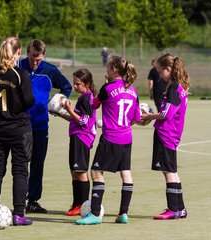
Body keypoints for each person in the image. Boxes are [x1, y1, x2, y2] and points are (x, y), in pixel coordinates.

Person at [76, 56, 140, 225]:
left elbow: (95, 104)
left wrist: (104, 87)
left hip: (110, 137)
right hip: (127, 138)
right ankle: (123, 213)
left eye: (107, 68)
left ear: (113, 70)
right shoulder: (133, 91)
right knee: (126, 173)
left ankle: (95, 213)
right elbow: (136, 117)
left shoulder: (108, 88)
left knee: (97, 172)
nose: (106, 70)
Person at [0, 37, 35, 225]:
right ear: (18, 52)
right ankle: (19, 214)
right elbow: (29, 101)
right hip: (19, 129)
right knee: (20, 171)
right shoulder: (20, 74)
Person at [20, 39, 72, 213]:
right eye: (32, 58)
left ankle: (33, 200)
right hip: (19, 124)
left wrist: (60, 100)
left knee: (37, 163)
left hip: (41, 125)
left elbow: (67, 86)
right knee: (20, 164)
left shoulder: (50, 70)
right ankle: (19, 200)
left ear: (43, 56)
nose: (35, 63)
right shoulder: (18, 67)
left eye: (39, 59)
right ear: (27, 53)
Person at [141, 54, 190, 220]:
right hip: (171, 134)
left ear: (168, 69)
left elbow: (166, 114)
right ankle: (180, 209)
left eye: (160, 71)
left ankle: (173, 209)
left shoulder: (174, 89)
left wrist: (148, 116)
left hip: (166, 134)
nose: (159, 75)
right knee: (172, 171)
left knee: (168, 171)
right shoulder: (178, 87)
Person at [63, 69, 97, 216]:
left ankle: (83, 206)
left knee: (81, 172)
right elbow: (77, 118)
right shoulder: (84, 97)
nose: (75, 86)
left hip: (82, 137)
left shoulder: (87, 98)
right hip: (76, 136)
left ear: (87, 84)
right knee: (74, 172)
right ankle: (77, 204)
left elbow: (85, 121)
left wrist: (70, 110)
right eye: (74, 83)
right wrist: (61, 113)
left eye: (78, 84)